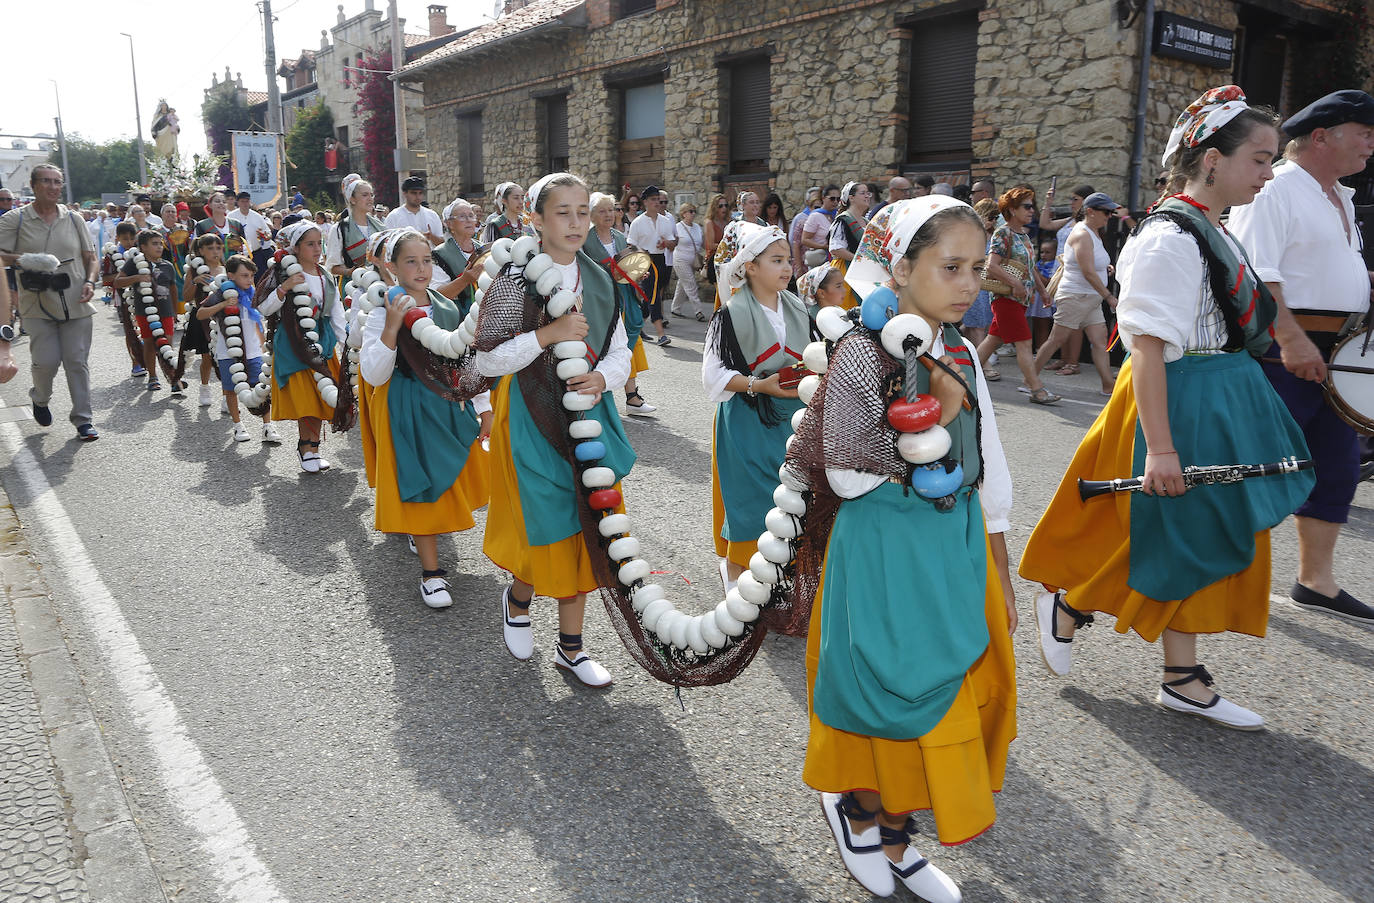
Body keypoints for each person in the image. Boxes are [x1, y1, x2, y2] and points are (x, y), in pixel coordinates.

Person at [1020, 87, 1317, 730]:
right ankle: (1073, 607)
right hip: (1182, 399)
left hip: (1220, 394)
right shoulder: (1167, 238)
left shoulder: (1211, 226)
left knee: (1200, 533)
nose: (1270, 173)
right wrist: (1160, 447)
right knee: (1185, 532)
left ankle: (1180, 676)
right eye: (1261, 159)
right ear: (1211, 159)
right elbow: (1149, 351)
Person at [797, 197, 1014, 900]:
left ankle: (897, 828)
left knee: (949, 687)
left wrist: (999, 565)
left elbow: (991, 462)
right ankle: (862, 809)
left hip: (950, 539)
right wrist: (936, 422)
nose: (968, 283)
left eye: (976, 268)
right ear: (901, 264)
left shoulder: (952, 346)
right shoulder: (864, 349)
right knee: (892, 686)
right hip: (888, 539)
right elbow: (847, 472)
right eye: (951, 266)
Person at [475, 172, 635, 688]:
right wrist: (549, 334)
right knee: (545, 523)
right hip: (530, 412)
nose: (575, 222)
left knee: (591, 520)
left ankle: (572, 648)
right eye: (562, 212)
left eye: (582, 211)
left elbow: (621, 350)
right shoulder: (515, 279)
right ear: (535, 220)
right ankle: (518, 600)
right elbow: (491, 358)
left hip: (588, 415)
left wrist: (602, 377)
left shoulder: (602, 278)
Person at [1228, 88, 1374, 622]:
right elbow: (1256, 273)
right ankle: (1215, 570)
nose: (1370, 146)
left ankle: (1316, 581)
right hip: (1285, 352)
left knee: (1336, 468)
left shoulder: (1338, 193)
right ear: (1321, 137)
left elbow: (1318, 266)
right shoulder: (1277, 190)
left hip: (1333, 353)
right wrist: (1291, 340)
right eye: (1365, 134)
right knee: (1257, 466)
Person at [361, 229, 491, 608]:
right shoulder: (383, 309)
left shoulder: (448, 309)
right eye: (411, 262)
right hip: (408, 405)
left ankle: (427, 541)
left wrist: (483, 405)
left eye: (427, 260)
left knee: (447, 479)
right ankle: (432, 574)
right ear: (392, 267)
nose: (421, 269)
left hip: (448, 405)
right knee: (421, 485)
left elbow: (467, 361)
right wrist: (390, 327)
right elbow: (374, 374)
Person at [703, 222, 808, 590]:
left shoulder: (796, 307)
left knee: (786, 498)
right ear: (749, 266)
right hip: (745, 420)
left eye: (788, 260)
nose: (786, 268)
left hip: (788, 420)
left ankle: (774, 575)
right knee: (748, 501)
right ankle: (736, 578)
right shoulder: (730, 314)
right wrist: (758, 384)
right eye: (776, 260)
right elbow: (713, 376)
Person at [257, 221, 345, 473]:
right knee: (307, 400)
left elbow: (336, 312)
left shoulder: (325, 275)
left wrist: (347, 344)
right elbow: (264, 307)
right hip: (294, 343)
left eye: (319, 243)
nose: (317, 249)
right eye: (310, 244)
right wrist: (284, 288)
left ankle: (312, 448)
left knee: (322, 398)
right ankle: (307, 448)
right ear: (295, 248)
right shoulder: (283, 273)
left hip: (323, 343)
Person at [976, 187, 1059, 404]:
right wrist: (1014, 283)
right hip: (1006, 299)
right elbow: (991, 265)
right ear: (1012, 209)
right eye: (1027, 206)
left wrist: (1042, 291)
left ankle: (965, 377)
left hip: (1020, 299)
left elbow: (1030, 268)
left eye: (1032, 206)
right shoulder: (1003, 233)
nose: (1032, 210)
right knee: (1024, 343)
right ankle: (1036, 389)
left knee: (993, 340)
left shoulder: (1023, 235)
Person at [1030, 192, 1119, 395]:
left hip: (1089, 298)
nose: (1109, 215)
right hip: (1075, 296)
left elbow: (1091, 265)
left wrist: (1106, 267)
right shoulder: (1081, 233)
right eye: (1106, 211)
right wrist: (1109, 297)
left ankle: (1108, 385)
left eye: (1111, 212)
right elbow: (1086, 271)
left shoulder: (1093, 232)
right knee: (1056, 340)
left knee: (1099, 341)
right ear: (1090, 211)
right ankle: (1029, 379)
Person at [197, 254, 280, 444]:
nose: (249, 280)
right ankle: (237, 424)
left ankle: (267, 426)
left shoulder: (254, 294)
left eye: (251, 276)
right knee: (231, 389)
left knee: (263, 388)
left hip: (254, 352)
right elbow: (201, 314)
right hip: (229, 352)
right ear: (231, 275)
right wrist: (224, 304)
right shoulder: (222, 294)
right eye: (244, 276)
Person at [115, 229, 181, 395]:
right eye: (154, 244)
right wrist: (137, 278)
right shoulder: (135, 263)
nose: (159, 247)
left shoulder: (167, 265)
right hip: (145, 312)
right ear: (143, 247)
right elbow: (118, 282)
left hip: (165, 311)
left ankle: (173, 377)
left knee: (167, 344)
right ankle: (153, 377)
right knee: (150, 344)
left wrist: (174, 311)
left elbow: (173, 289)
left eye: (160, 244)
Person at [177, 233, 226, 407]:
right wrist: (195, 281)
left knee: (225, 358)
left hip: (225, 319)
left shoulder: (226, 268)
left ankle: (227, 396)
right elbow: (186, 296)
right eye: (210, 248)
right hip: (203, 319)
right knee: (207, 358)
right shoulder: (196, 270)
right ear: (201, 251)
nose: (215, 252)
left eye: (218, 248)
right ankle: (204, 388)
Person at [626, 184, 675, 346]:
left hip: (661, 260)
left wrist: (667, 243)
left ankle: (637, 325)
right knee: (654, 295)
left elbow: (672, 242)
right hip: (645, 260)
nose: (657, 203)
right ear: (645, 202)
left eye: (658, 200)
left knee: (650, 296)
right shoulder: (638, 223)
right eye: (653, 200)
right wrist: (641, 254)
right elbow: (630, 245)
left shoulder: (666, 221)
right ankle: (661, 333)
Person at [101, 221, 145, 376]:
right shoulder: (112, 255)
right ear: (118, 238)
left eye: (132, 238)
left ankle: (146, 358)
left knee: (145, 328)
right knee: (130, 329)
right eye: (125, 238)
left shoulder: (139, 253)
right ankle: (135, 362)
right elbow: (106, 277)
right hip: (123, 297)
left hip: (143, 295)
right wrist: (125, 274)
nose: (129, 242)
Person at [326, 174, 383, 285]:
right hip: (354, 287)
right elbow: (332, 268)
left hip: (380, 284)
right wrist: (350, 271)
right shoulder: (339, 229)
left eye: (371, 195)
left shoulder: (380, 226)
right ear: (352, 199)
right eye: (365, 195)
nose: (370, 199)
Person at [827, 181, 872, 309]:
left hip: (863, 271)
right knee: (848, 307)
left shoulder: (866, 222)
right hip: (845, 270)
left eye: (868, 193)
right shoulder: (843, 219)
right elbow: (836, 249)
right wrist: (859, 260)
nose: (867, 196)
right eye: (863, 193)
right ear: (851, 198)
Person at [430, 198, 483, 302]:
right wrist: (464, 280)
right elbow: (437, 294)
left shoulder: (483, 249)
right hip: (458, 314)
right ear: (449, 224)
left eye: (471, 216)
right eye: (462, 216)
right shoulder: (439, 254)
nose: (468, 220)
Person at [670, 201, 705, 321]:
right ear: (683, 214)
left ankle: (675, 308)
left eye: (694, 211)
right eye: (690, 211)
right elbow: (672, 243)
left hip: (693, 260)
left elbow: (702, 243)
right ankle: (698, 310)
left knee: (682, 284)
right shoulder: (677, 227)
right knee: (690, 284)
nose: (693, 214)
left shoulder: (697, 227)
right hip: (680, 259)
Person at [384, 176, 444, 247]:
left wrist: (431, 237)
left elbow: (442, 245)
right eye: (414, 193)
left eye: (420, 193)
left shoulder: (432, 215)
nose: (418, 196)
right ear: (405, 193)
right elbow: (387, 245)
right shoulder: (394, 216)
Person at [1027, 235, 1059, 353]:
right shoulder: (1040, 264)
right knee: (1037, 324)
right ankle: (1038, 349)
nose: (1043, 255)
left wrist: (1035, 272)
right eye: (1042, 252)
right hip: (1037, 299)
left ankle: (1043, 352)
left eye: (1048, 252)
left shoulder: (1055, 266)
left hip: (1046, 298)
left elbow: (1048, 282)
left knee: (1045, 326)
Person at [228, 191, 272, 273]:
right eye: (242, 201)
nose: (245, 204)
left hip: (256, 252)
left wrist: (267, 236)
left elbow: (268, 232)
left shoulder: (257, 216)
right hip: (238, 253)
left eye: (247, 201)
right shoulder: (231, 216)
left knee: (258, 275)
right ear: (237, 202)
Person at [801, 185, 840, 266]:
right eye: (832, 199)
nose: (835, 202)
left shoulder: (838, 215)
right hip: (820, 260)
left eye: (838, 199)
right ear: (823, 198)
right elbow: (805, 239)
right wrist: (824, 246)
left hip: (836, 260)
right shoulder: (815, 216)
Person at [789, 187, 821, 277]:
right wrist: (798, 268)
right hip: (805, 263)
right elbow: (794, 243)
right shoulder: (800, 220)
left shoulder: (828, 218)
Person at [703, 193, 731, 287]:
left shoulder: (728, 222)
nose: (724, 208)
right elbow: (710, 245)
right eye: (720, 206)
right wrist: (727, 245)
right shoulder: (709, 223)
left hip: (728, 259)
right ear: (715, 207)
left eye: (726, 205)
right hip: (714, 259)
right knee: (720, 292)